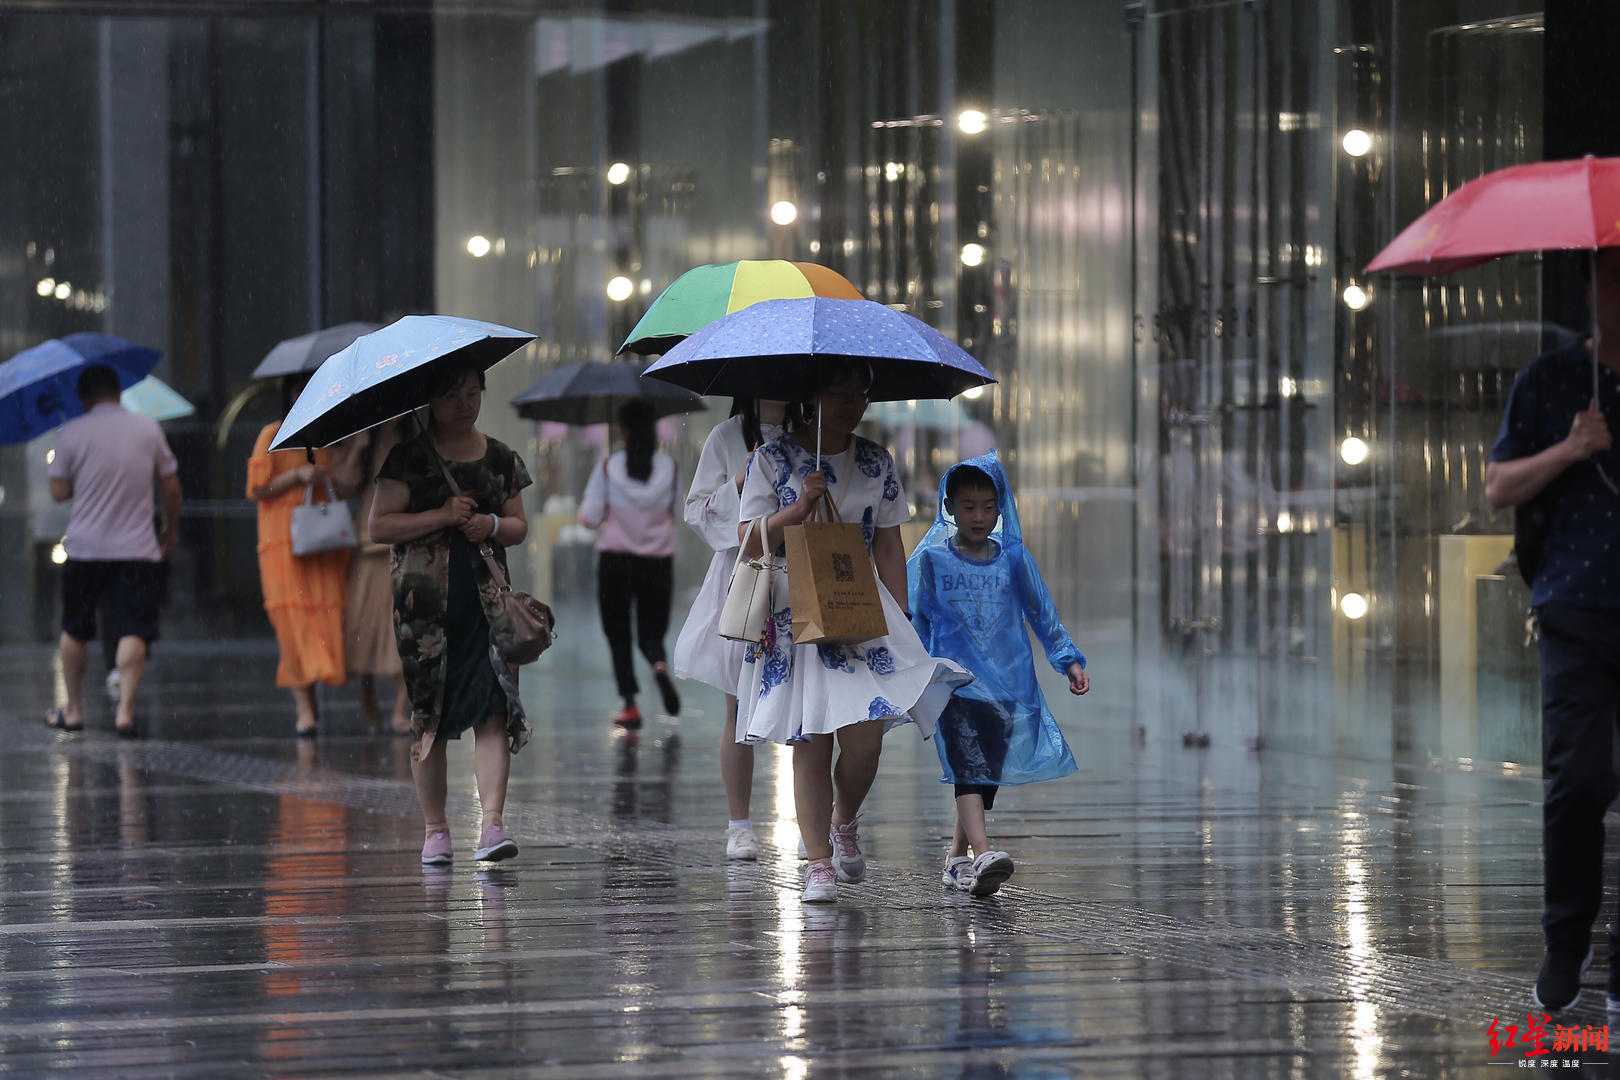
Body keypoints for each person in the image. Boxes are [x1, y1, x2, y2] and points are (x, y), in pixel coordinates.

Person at [737, 359, 971, 903]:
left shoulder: (876, 461)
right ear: (811, 397)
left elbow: (888, 542)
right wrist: (799, 507)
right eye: (838, 393)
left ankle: (843, 818)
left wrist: (901, 613)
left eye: (859, 394)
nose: (851, 405)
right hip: (796, 609)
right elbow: (748, 539)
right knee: (811, 738)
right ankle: (818, 862)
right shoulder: (771, 459)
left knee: (865, 739)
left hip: (860, 607)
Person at [1485, 246, 1620, 1013]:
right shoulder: (1551, 379)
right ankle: (1567, 941)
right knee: (1579, 777)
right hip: (1575, 603)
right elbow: (1497, 485)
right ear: (1589, 286)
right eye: (1613, 274)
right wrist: (1572, 447)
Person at [370, 361, 533, 866]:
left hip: (487, 606)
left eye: (472, 393)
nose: (464, 405)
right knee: (429, 718)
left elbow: (519, 525)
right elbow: (380, 526)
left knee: (493, 708)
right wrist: (440, 515)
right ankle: (435, 831)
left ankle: (492, 824)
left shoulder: (500, 457)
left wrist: (489, 524)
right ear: (432, 401)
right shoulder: (408, 458)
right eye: (452, 396)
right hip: (425, 614)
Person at [907, 453, 1090, 897]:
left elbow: (1042, 614)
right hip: (954, 686)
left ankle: (955, 858)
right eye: (968, 507)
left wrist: (1068, 660)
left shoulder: (1014, 559)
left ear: (1002, 507)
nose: (979, 516)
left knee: (981, 774)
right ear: (949, 507)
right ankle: (983, 854)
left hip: (1007, 686)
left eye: (989, 507)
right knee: (967, 766)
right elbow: (918, 620)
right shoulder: (933, 561)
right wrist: (910, 672)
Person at [672, 399, 789, 860]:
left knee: (808, 702)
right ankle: (739, 824)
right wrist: (740, 480)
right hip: (745, 576)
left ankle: (816, 821)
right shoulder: (727, 436)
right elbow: (696, 510)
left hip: (800, 570)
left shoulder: (813, 430)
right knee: (739, 704)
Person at [45, 363, 182, 736]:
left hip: (85, 548)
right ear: (119, 393)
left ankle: (74, 711)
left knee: (75, 628)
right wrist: (170, 530)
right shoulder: (147, 429)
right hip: (137, 548)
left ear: (83, 398)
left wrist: (86, 481)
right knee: (133, 628)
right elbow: (171, 488)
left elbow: (58, 491)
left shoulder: (72, 432)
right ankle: (125, 713)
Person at [247, 378, 365, 737]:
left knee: (325, 617)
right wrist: (298, 475)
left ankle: (312, 700)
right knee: (293, 623)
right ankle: (305, 708)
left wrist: (356, 449)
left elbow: (344, 487)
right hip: (283, 544)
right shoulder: (272, 434)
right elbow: (257, 487)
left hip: (323, 543)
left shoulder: (330, 438)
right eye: (298, 389)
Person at [579, 399, 682, 730]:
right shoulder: (670, 468)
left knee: (618, 633)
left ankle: (630, 704)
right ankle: (659, 663)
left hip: (615, 563)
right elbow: (677, 513)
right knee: (652, 631)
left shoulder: (608, 468)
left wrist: (611, 511)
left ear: (623, 431)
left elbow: (589, 518)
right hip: (658, 562)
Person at [346, 418, 412, 734]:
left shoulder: (415, 442)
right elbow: (343, 484)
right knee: (364, 629)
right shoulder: (364, 442)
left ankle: (400, 706)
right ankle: (367, 693)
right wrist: (356, 449)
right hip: (367, 545)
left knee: (403, 626)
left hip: (403, 543)